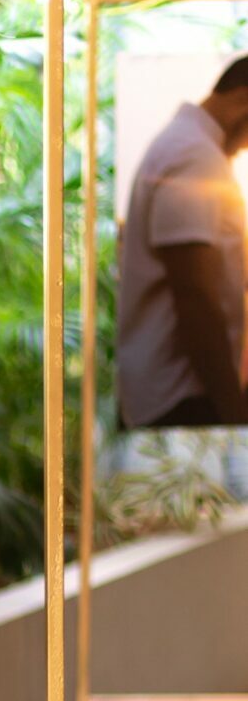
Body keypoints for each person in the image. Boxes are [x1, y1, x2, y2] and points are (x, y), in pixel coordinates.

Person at [118, 55, 248, 427]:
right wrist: (233, 414)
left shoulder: (187, 145)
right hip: (183, 397)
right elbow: (194, 294)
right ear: (243, 100)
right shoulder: (193, 155)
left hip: (175, 393)